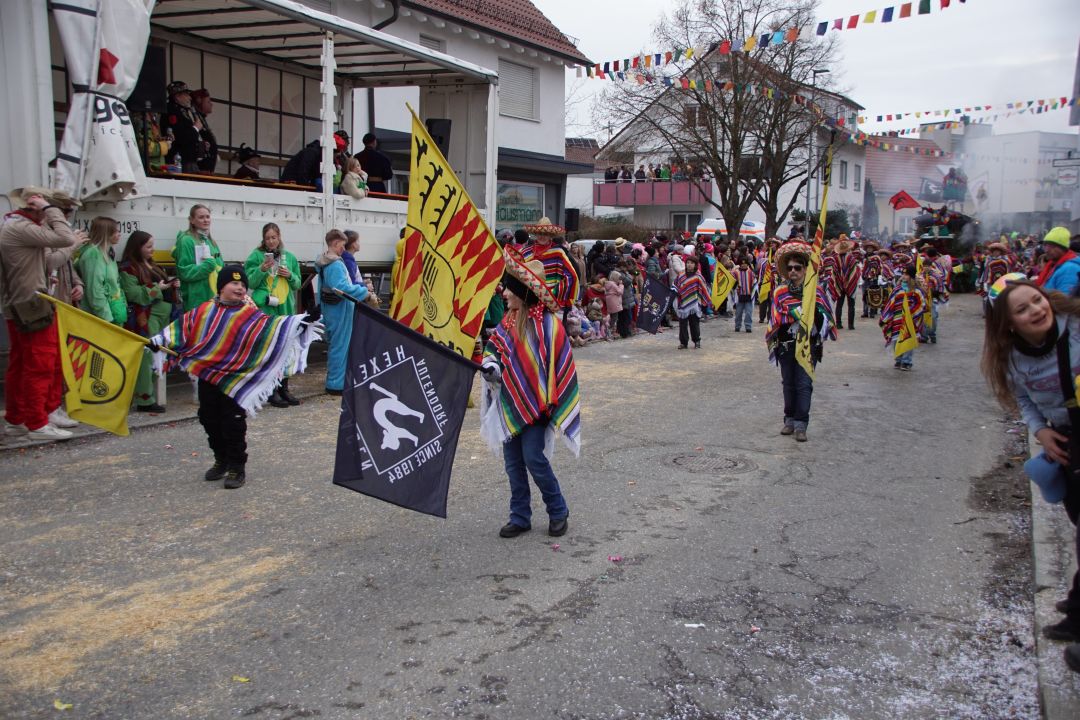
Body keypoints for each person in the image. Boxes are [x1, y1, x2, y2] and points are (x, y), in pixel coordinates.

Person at [980, 273, 1080, 668]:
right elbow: (1023, 399)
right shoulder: (1010, 358)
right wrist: (1040, 431)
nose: (1036, 310)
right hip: (1066, 441)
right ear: (1008, 324)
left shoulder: (1075, 329)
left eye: (1037, 300)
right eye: (1022, 309)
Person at [150, 265, 319, 489]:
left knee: (233, 423)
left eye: (243, 285)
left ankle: (237, 467)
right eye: (234, 283)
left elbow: (272, 328)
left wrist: (302, 322)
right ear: (221, 287)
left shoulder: (249, 314)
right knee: (208, 418)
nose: (240, 288)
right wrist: (159, 341)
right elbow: (181, 329)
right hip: (208, 375)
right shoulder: (204, 311)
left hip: (237, 380)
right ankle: (221, 459)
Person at [480, 245, 580, 539]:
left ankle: (558, 510)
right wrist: (491, 366)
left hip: (539, 405)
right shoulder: (507, 322)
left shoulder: (549, 325)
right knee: (513, 463)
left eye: (509, 289)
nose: (504, 293)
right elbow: (493, 351)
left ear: (523, 293)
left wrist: (548, 398)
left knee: (533, 458)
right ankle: (520, 516)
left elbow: (559, 365)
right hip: (509, 402)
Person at [0, 187, 83, 440]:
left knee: (22, 365)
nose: (62, 215)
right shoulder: (21, 227)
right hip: (31, 305)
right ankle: (37, 422)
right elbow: (65, 239)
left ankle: (17, 419)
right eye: (61, 209)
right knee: (40, 364)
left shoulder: (15, 226)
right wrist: (49, 209)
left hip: (22, 304)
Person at [765, 241, 835, 442]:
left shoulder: (816, 292)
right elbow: (775, 318)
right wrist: (794, 315)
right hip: (786, 344)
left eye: (798, 267)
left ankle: (801, 424)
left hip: (808, 345)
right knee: (788, 384)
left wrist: (812, 313)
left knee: (804, 384)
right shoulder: (780, 292)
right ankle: (789, 420)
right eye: (790, 268)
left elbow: (825, 320)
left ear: (806, 269)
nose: (793, 271)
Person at [119, 230, 177, 413]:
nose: (153, 250)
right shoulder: (128, 268)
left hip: (162, 316)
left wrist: (171, 285)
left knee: (159, 355)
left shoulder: (152, 264)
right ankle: (144, 399)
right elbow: (133, 293)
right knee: (147, 355)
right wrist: (156, 288)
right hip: (145, 318)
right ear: (137, 248)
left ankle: (149, 394)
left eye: (153, 245)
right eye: (148, 246)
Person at [245, 223, 303, 407]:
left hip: (285, 308)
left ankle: (284, 388)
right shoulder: (256, 256)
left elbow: (297, 284)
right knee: (269, 348)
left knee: (286, 348)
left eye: (274, 237)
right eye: (267, 238)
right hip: (267, 308)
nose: (271, 241)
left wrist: (290, 275)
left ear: (279, 237)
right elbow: (250, 282)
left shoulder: (289, 257)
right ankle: (270, 390)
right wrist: (262, 269)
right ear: (263, 239)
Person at [315, 229, 369, 395]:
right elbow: (342, 288)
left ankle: (337, 381)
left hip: (331, 310)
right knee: (340, 347)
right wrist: (364, 292)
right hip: (340, 311)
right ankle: (336, 384)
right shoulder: (336, 264)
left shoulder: (324, 263)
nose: (344, 249)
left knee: (336, 345)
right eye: (342, 245)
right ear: (336, 243)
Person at [73, 217, 126, 326]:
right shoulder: (93, 255)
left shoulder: (107, 253)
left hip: (112, 311)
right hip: (100, 319)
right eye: (116, 231)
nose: (119, 234)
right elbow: (94, 290)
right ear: (106, 234)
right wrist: (107, 319)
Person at [520, 217, 579, 312]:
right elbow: (518, 274)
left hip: (551, 304)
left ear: (550, 235)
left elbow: (571, 276)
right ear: (536, 234)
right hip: (529, 302)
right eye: (540, 233)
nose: (542, 236)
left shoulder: (558, 252)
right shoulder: (526, 252)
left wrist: (553, 293)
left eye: (546, 234)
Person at [172, 204, 224, 311]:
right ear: (192, 220)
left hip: (214, 296)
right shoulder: (186, 240)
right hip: (195, 298)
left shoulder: (211, 241)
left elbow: (220, 265)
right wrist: (207, 266)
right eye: (201, 217)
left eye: (207, 217)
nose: (206, 220)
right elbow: (184, 272)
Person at [879, 265, 926, 371]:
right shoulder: (897, 289)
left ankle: (906, 361)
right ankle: (898, 359)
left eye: (906, 274)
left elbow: (920, 304)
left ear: (912, 276)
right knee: (896, 339)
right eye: (903, 274)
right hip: (897, 319)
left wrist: (910, 314)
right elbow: (891, 303)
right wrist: (886, 316)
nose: (904, 276)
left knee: (908, 339)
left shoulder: (916, 291)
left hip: (910, 321)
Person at [161, 81, 204, 172]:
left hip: (188, 160)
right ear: (177, 96)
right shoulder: (172, 111)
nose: (189, 98)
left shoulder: (182, 111)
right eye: (186, 94)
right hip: (180, 161)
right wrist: (195, 128)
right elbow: (180, 136)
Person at [673, 256, 710, 349]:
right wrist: (674, 290)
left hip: (694, 304)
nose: (689, 265)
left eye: (692, 263)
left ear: (695, 265)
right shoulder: (681, 275)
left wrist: (706, 301)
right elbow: (675, 285)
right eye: (688, 263)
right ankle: (683, 342)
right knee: (682, 324)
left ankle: (697, 341)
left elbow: (704, 289)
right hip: (682, 303)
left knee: (694, 324)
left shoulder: (698, 276)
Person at [1036, 227, 1080, 295]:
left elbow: (1065, 299)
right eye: (1045, 246)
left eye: (1051, 246)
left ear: (1063, 248)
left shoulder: (1069, 269)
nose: (1047, 250)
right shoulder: (1053, 265)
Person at [833, 237, 861, 330]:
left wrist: (840, 280)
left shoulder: (835, 259)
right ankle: (851, 325)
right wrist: (849, 281)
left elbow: (834, 272)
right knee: (851, 305)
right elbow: (854, 272)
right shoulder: (851, 258)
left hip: (840, 284)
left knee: (839, 304)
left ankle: (838, 324)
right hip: (850, 284)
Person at [190, 89, 218, 172]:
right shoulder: (193, 116)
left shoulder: (201, 117)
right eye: (208, 101)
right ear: (199, 100)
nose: (211, 104)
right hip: (200, 165)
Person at [733, 254, 756, 333]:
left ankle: (748, 326)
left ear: (747, 264)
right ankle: (737, 326)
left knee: (748, 312)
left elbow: (754, 283)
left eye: (745, 263)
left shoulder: (751, 273)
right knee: (738, 312)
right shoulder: (735, 272)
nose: (743, 265)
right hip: (739, 296)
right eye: (742, 264)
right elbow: (731, 282)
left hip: (748, 295)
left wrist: (753, 293)